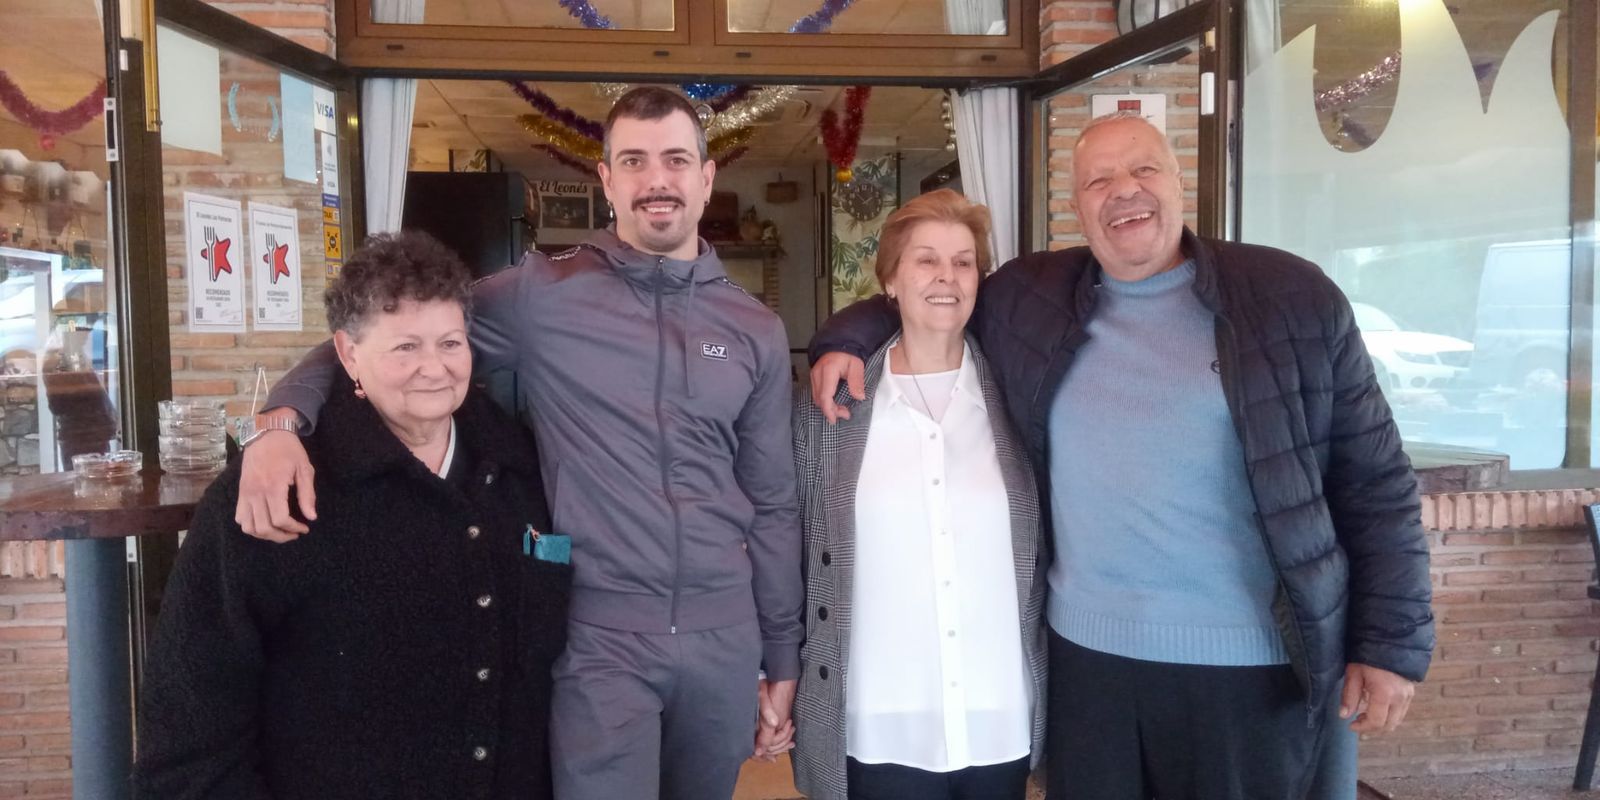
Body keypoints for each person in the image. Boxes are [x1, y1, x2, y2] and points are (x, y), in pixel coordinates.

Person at [808, 112, 1435, 799]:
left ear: (1180, 180)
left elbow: (1376, 483)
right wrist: (843, 339)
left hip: (1252, 672)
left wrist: (1389, 643)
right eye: (1099, 180)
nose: (1124, 191)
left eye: (1143, 169)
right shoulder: (1035, 299)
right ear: (1077, 207)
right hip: (1089, 672)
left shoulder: (1289, 297)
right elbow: (928, 302)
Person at [232, 87, 803, 800]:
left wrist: (782, 653)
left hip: (725, 635)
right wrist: (280, 421)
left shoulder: (754, 329)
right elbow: (389, 335)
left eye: (676, 160)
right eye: (634, 161)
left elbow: (773, 503)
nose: (657, 180)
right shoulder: (545, 294)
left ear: (706, 177)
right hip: (601, 637)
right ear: (607, 180)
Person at [133, 231, 569, 799]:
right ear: (347, 354)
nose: (434, 368)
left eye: (450, 343)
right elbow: (192, 720)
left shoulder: (520, 470)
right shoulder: (280, 489)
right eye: (405, 347)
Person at [789, 190, 1046, 800]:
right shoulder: (830, 409)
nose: (946, 277)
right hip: (879, 718)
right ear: (891, 280)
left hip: (997, 714)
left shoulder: (1020, 394)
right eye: (926, 260)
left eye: (963, 262)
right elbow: (794, 551)